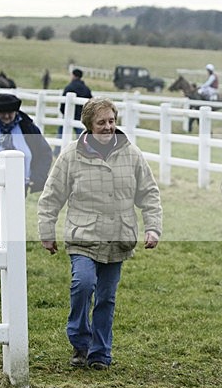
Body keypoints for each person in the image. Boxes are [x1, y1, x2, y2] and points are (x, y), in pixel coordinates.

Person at [37, 98, 162, 370]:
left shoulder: (132, 154)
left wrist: (153, 226)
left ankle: (100, 354)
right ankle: (80, 343)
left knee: (106, 296)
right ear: (89, 126)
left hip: (118, 237)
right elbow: (51, 197)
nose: (108, 127)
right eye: (101, 122)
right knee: (83, 285)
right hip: (83, 236)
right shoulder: (70, 155)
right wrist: (47, 232)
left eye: (112, 121)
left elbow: (149, 193)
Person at [0, 94, 52, 248]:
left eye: (10, 113)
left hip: (20, 183)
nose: (6, 116)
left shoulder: (28, 127)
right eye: (2, 113)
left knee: (14, 218)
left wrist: (37, 177)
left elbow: (45, 152)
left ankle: (13, 253)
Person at [58, 68, 93, 152]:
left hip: (69, 115)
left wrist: (63, 112)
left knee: (61, 133)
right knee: (81, 134)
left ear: (73, 75)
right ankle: (84, 150)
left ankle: (58, 150)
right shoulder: (86, 89)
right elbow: (90, 102)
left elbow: (63, 103)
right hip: (81, 115)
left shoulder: (69, 87)